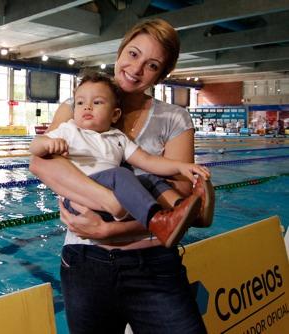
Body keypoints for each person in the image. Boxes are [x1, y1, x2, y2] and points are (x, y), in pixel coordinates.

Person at [29, 18, 213, 333]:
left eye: (152, 65)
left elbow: (183, 207)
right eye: (132, 54)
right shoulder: (76, 108)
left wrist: (108, 230)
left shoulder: (173, 118)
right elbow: (40, 164)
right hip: (86, 261)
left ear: (162, 74)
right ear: (120, 51)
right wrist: (106, 206)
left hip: (153, 264)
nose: (136, 69)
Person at [29, 72, 210, 247]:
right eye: (80, 103)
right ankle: (158, 222)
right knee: (121, 174)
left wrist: (180, 166)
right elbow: (35, 148)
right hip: (83, 199)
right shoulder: (68, 130)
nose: (87, 107)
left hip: (115, 193)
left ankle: (184, 210)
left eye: (97, 102)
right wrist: (48, 144)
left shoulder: (118, 137)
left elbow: (147, 160)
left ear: (114, 115)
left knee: (148, 179)